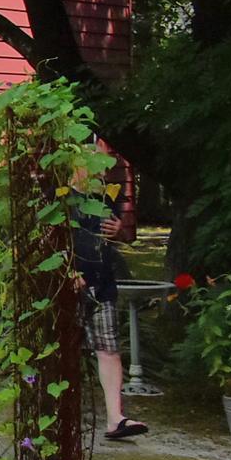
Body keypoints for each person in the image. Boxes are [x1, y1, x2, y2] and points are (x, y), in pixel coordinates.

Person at [75, 183, 147, 441]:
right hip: (66, 286)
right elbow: (45, 240)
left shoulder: (105, 199)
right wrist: (66, 270)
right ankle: (56, 413)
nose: (101, 172)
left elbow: (119, 238)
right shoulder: (59, 198)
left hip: (102, 285)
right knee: (61, 350)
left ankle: (116, 419)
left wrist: (118, 231)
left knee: (108, 349)